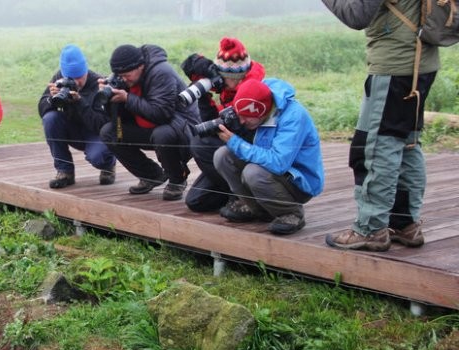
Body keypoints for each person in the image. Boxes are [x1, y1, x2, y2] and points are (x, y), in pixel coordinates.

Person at [322, 0, 439, 251]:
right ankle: (405, 224)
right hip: (422, 63)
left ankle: (370, 229)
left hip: (395, 67)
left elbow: (356, 15)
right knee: (407, 143)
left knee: (375, 148)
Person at [213, 78, 325, 235]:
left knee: (252, 172)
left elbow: (278, 162)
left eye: (246, 117)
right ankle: (257, 209)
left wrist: (236, 142)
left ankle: (291, 213)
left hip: (299, 181)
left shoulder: (293, 116)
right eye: (239, 115)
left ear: (262, 112)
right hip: (271, 172)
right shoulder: (259, 107)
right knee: (222, 156)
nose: (242, 121)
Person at [99, 44, 201, 201]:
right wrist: (109, 100)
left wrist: (127, 98)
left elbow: (162, 114)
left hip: (181, 128)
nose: (124, 79)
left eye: (127, 75)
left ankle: (177, 179)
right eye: (120, 76)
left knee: (162, 134)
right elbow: (118, 119)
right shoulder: (126, 78)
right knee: (111, 132)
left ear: (140, 66)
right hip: (149, 126)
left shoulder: (161, 72)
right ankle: (151, 176)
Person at [180, 37, 266, 212]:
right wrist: (204, 97)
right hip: (231, 145)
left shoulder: (252, 87)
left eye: (230, 77)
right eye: (222, 76)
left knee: (199, 145)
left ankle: (243, 197)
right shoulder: (227, 88)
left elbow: (240, 128)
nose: (226, 81)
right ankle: (233, 192)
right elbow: (212, 123)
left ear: (240, 74)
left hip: (251, 149)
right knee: (196, 201)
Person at [38, 44, 116, 188]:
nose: (76, 82)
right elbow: (42, 109)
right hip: (73, 130)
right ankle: (65, 171)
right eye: (71, 78)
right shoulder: (60, 79)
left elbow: (102, 124)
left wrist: (80, 102)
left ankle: (108, 166)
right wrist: (51, 98)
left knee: (97, 157)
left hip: (96, 133)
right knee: (50, 119)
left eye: (79, 77)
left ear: (85, 70)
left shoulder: (98, 84)